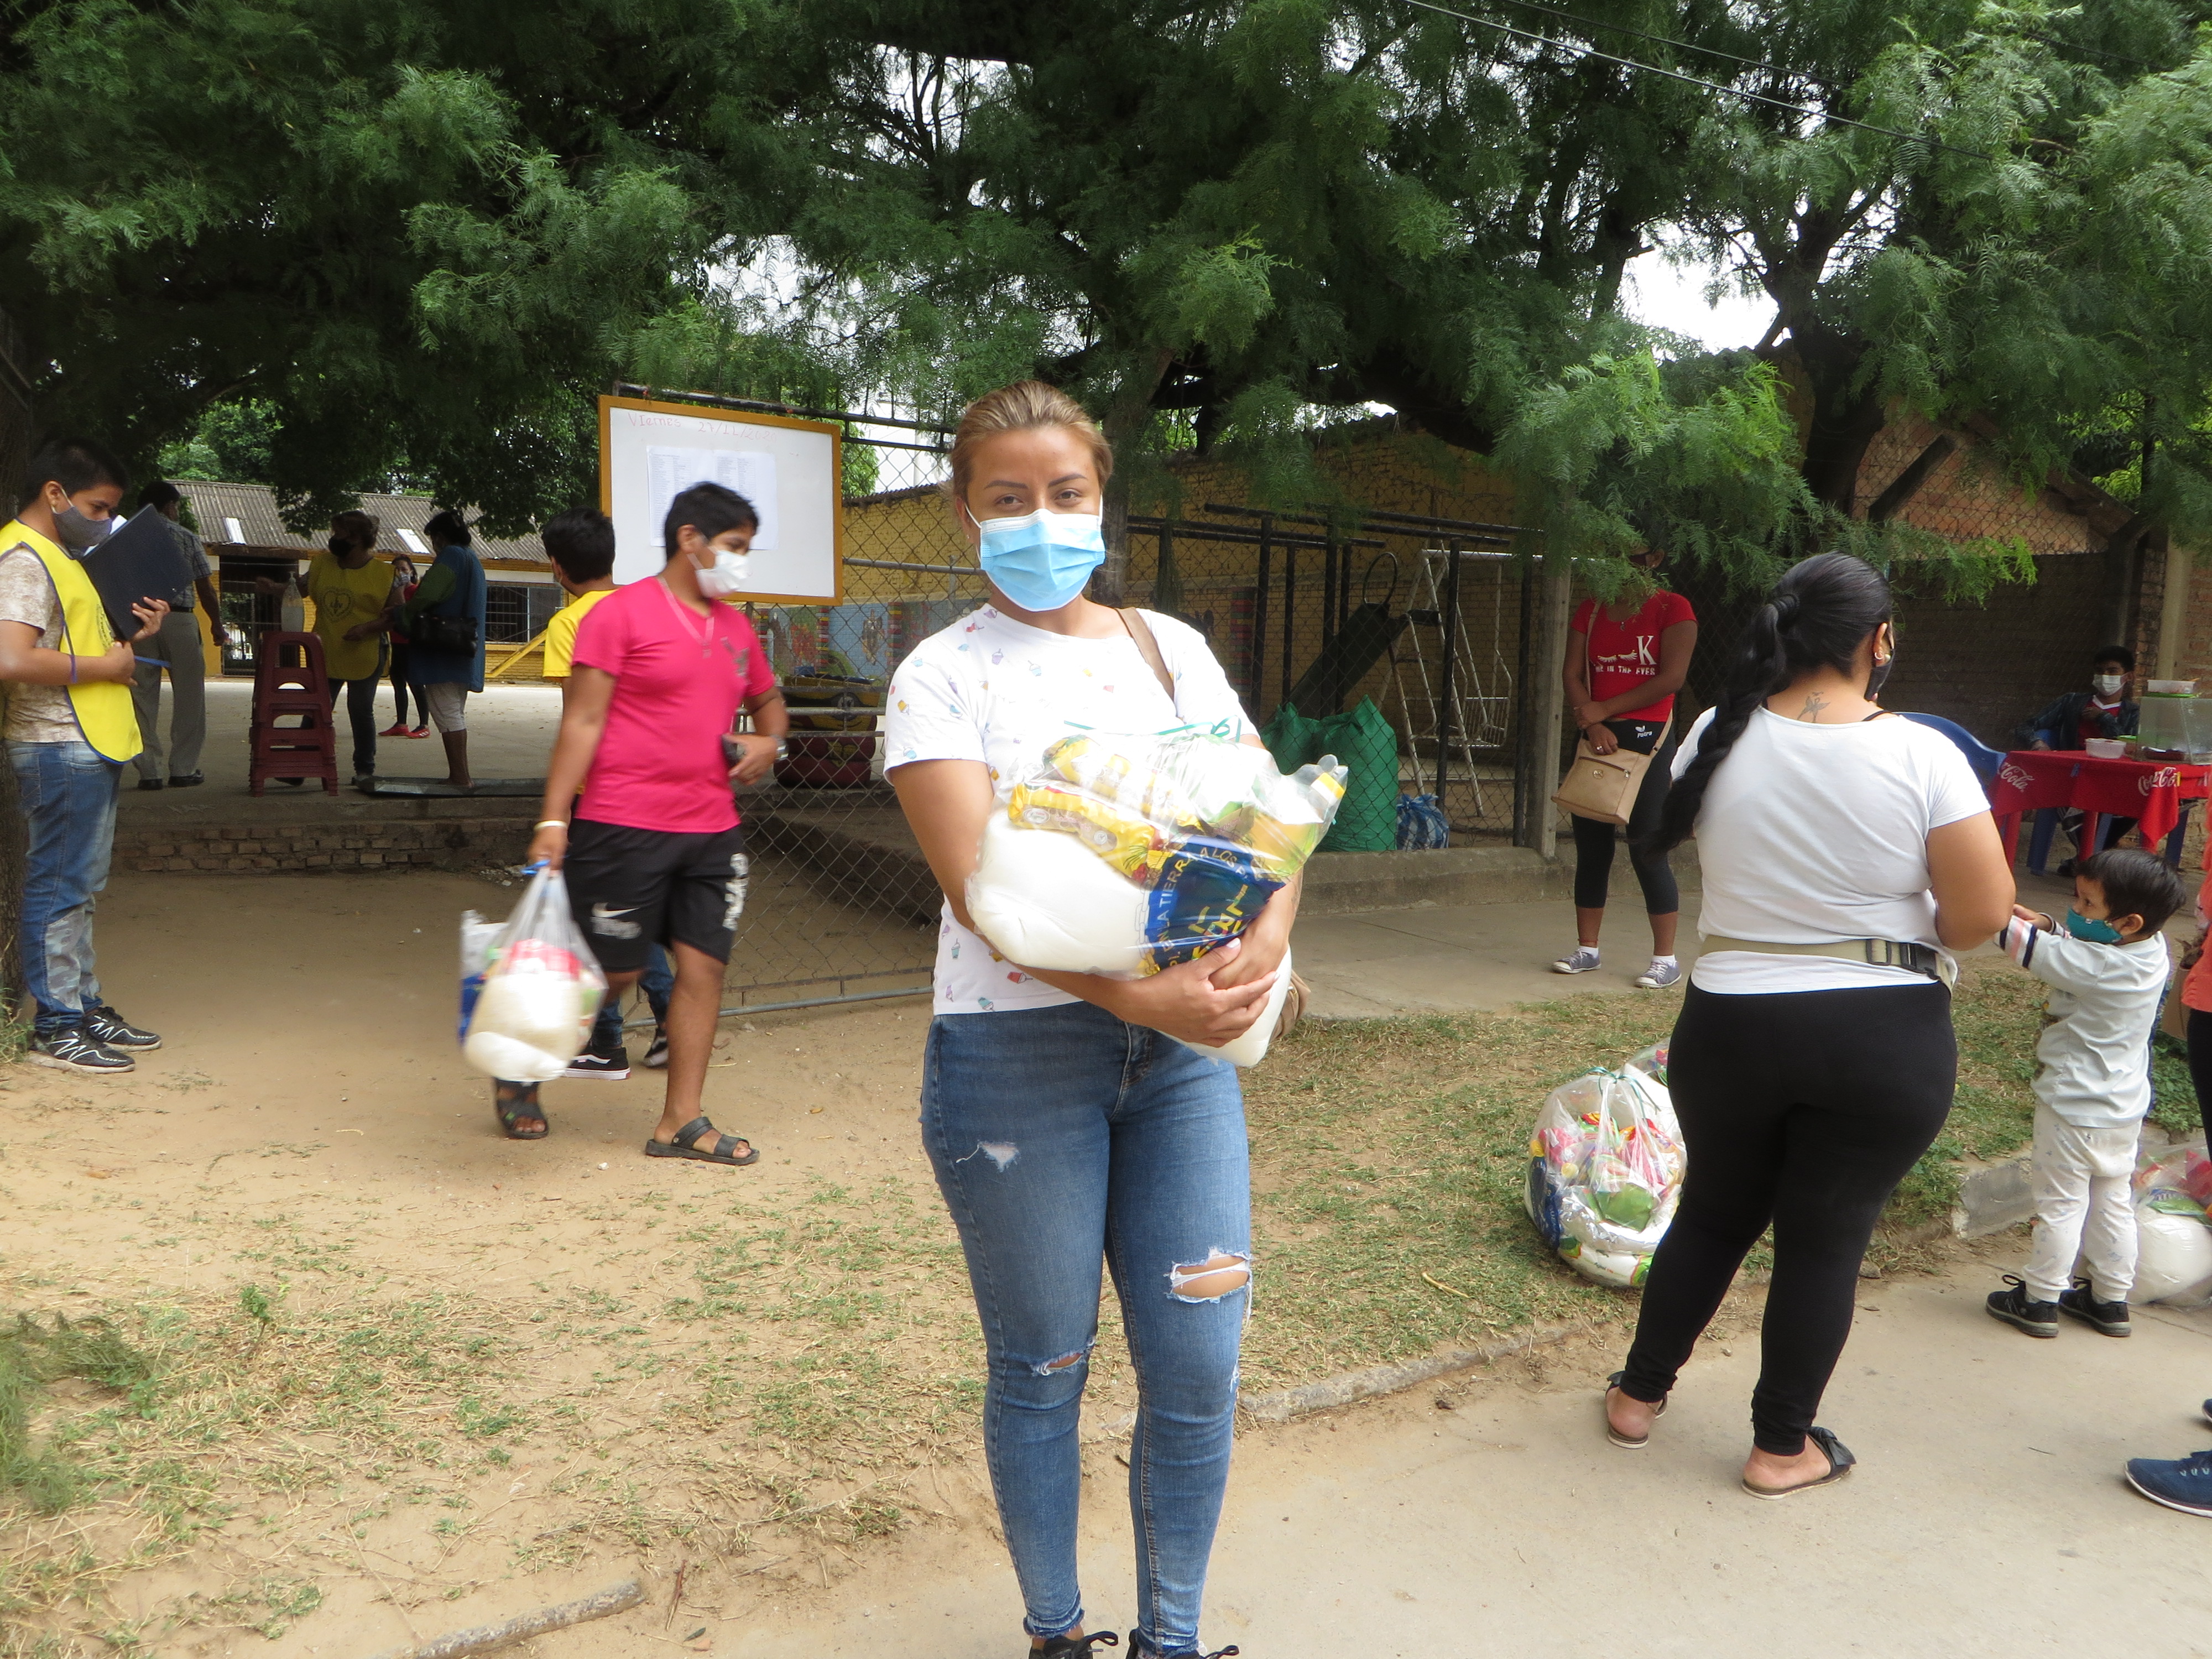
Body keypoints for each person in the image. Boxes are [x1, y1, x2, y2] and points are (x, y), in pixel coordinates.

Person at [885, 380, 1286, 1659]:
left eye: (1064, 492)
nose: (1040, 518)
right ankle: (1056, 1635)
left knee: (1198, 1366)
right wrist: (1137, 994)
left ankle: (1171, 1639)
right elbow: (986, 899)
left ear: (1102, 499)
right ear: (966, 515)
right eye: (1007, 498)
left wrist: (1267, 933)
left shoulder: (1168, 648)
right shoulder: (941, 678)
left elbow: (1262, 818)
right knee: (1044, 1366)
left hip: (1181, 1066)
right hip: (1013, 1068)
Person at [1600, 552, 2013, 1499]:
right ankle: (1780, 1447)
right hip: (1881, 1034)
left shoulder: (1718, 730)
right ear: (1880, 640)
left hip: (1730, 1024)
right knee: (1825, 1240)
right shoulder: (1923, 754)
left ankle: (1636, 1397)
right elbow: (1980, 917)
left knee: (1713, 1214)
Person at [515, 482, 785, 1153]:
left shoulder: (735, 628)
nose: (741, 560)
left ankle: (680, 1121)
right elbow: (582, 721)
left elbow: (769, 700)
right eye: (734, 546)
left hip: (711, 830)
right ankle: (519, 1065)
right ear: (690, 539)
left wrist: (768, 741)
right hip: (623, 825)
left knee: (703, 969)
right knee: (614, 974)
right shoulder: (620, 615)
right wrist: (553, 820)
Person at [0, 439, 169, 1072]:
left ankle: (82, 1005)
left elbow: (75, 640)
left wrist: (132, 637)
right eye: (98, 508)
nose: (104, 521)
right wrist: (105, 668)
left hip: (86, 740)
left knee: (80, 886)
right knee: (60, 886)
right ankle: (56, 1025)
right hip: (56, 745)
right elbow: (11, 658)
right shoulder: (23, 558)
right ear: (55, 494)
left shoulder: (62, 556)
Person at [1984, 848, 2184, 1341]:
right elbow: (2083, 947)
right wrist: (2052, 925)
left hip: (2072, 1107)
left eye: (2088, 904)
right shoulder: (2151, 950)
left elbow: (2013, 938)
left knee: (2060, 1204)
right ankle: (2109, 1300)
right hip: (2123, 1109)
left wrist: (1979, 902)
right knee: (2112, 1201)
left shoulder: (2095, 965)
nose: (2076, 910)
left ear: (2129, 922)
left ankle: (2039, 1300)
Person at [534, 505, 672, 1078]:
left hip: (603, 794)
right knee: (631, 913)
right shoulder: (644, 608)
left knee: (596, 916)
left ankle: (604, 1041)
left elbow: (579, 719)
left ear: (557, 566)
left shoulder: (570, 624)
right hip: (656, 786)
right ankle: (668, 1023)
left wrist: (559, 810)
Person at [1553, 546, 1697, 988]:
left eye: (1633, 555)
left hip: (1648, 739)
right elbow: (1572, 674)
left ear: (1655, 558)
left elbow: (1671, 679)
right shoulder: (1592, 609)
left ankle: (1665, 959)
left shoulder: (1673, 608)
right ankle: (1587, 950)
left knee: (1646, 846)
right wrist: (1592, 721)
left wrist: (1604, 710)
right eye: (1613, 553)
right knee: (1592, 847)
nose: (1620, 564)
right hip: (1596, 736)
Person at [128, 480, 226, 790]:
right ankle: (183, 769)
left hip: (139, 621)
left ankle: (149, 772)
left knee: (141, 697)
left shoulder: (124, 536)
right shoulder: (186, 536)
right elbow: (206, 588)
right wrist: (217, 624)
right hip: (180, 620)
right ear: (170, 506)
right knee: (189, 696)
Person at [2020, 646, 2140, 868]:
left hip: (2115, 779)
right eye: (2100, 671)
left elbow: (2128, 745)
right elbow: (2027, 726)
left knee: (2139, 800)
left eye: (2113, 671)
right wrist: (2037, 742)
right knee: (2065, 795)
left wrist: (2103, 719)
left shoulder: (2133, 713)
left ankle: (2088, 860)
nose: (2105, 677)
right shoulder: (2072, 702)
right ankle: (2094, 861)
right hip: (2073, 775)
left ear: (2128, 676)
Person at [403, 509, 487, 788]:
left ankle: (460, 777)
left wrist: (402, 612)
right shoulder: (472, 559)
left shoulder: (451, 556)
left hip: (443, 649)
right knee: (454, 711)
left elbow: (428, 594)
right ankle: (460, 775)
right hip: (464, 649)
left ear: (439, 537)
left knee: (447, 713)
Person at [379, 554, 429, 739]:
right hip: (396, 642)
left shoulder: (416, 592)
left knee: (416, 684)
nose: (400, 573)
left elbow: (410, 613)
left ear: (412, 572)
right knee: (398, 682)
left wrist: (400, 590)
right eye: (396, 570)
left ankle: (424, 724)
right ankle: (401, 723)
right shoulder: (388, 594)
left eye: (404, 569)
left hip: (412, 644)